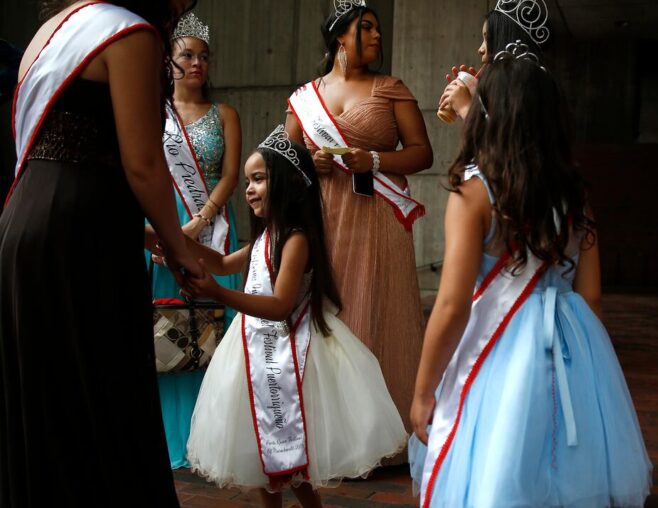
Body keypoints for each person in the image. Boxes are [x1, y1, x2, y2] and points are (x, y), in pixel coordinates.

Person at [408, 47, 651, 507]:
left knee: (499, 467)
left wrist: (423, 392)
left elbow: (453, 306)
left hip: (500, 354)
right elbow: (592, 297)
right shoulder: (576, 196)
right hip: (573, 344)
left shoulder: (474, 193)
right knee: (562, 466)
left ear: (486, 118)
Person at [0, 1, 201, 505]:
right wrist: (177, 247)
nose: (180, 5)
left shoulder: (52, 27)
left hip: (26, 223)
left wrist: (142, 234)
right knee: (100, 394)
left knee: (44, 395)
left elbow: (64, 148)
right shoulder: (130, 34)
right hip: (81, 237)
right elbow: (142, 165)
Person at [166, 127, 406, 508]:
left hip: (294, 356)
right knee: (262, 458)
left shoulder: (295, 240)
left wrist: (217, 292)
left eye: (258, 179)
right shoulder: (266, 236)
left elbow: (279, 306)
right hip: (253, 351)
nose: (248, 188)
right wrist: (169, 243)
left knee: (293, 462)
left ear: (289, 183)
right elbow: (223, 262)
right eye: (247, 180)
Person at [284, 0, 433, 442]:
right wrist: (310, 164)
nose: (376, 37)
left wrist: (376, 159)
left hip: (378, 217)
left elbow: (422, 152)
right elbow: (281, 161)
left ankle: (380, 436)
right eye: (365, 28)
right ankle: (331, 435)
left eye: (377, 30)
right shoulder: (304, 98)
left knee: (377, 312)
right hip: (323, 218)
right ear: (339, 37)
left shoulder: (391, 89)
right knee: (330, 315)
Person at [153, 11, 243, 469]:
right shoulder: (151, 112)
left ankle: (208, 435)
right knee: (163, 331)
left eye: (203, 56)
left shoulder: (225, 113)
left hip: (211, 229)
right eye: (187, 54)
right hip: (159, 229)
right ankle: (166, 435)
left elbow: (231, 175)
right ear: (168, 60)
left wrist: (201, 219)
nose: (196, 64)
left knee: (209, 329)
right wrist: (166, 229)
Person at [437, 0, 550, 122]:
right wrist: (476, 100)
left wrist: (466, 108)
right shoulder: (515, 86)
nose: (480, 49)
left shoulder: (527, 85)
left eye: (488, 39)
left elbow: (502, 138)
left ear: (507, 41)